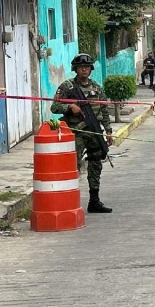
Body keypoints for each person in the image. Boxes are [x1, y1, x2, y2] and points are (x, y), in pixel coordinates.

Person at [51, 53, 113, 213]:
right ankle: (67, 201)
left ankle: (94, 201)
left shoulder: (97, 87)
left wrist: (108, 131)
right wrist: (70, 107)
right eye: (80, 67)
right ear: (75, 69)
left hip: (94, 132)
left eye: (87, 67)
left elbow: (104, 109)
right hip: (76, 132)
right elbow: (55, 107)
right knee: (72, 165)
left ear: (91, 69)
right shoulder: (67, 87)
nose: (84, 70)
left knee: (95, 165)